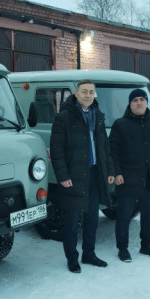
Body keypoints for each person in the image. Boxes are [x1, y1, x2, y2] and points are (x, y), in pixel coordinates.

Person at [50, 79, 115, 273]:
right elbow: (57, 149)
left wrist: (109, 170)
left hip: (95, 173)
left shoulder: (98, 116)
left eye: (91, 92)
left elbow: (105, 147)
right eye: (84, 91)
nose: (88, 95)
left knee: (92, 217)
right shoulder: (64, 117)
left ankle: (89, 254)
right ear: (76, 93)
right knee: (71, 220)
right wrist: (62, 175)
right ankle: (72, 258)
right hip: (74, 175)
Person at [109, 89, 150, 261]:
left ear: (146, 102)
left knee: (148, 214)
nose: (139, 103)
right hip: (128, 178)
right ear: (130, 103)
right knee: (124, 216)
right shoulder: (120, 125)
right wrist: (117, 172)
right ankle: (122, 248)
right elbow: (113, 151)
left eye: (142, 99)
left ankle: (146, 245)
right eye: (135, 100)